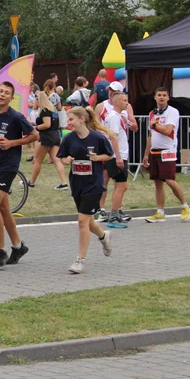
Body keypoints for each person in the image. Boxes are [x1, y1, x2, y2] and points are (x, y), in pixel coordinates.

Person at [0, 81, 37, 267]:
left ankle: (0, 250)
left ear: (12, 98)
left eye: (7, 93)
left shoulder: (15, 117)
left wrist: (12, 143)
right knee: (3, 209)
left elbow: (34, 135)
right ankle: (18, 246)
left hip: (9, 166)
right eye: (0, 91)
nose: (3, 94)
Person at [58, 107, 115, 274]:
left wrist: (98, 158)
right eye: (68, 120)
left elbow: (110, 154)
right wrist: (66, 160)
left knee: (82, 221)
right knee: (88, 221)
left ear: (81, 119)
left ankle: (80, 260)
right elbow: (61, 157)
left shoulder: (97, 138)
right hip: (77, 183)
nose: (68, 123)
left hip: (94, 184)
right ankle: (104, 236)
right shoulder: (68, 139)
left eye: (71, 120)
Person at [142, 87, 190, 223]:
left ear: (168, 98)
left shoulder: (172, 112)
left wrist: (155, 126)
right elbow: (150, 135)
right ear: (155, 97)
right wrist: (146, 155)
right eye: (159, 95)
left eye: (164, 95)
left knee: (169, 180)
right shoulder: (152, 113)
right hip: (155, 150)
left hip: (168, 150)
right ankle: (160, 211)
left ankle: (185, 206)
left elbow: (168, 130)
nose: (162, 97)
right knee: (157, 182)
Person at [101, 91, 132, 228]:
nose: (126, 103)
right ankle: (113, 215)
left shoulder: (118, 116)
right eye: (124, 100)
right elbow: (113, 136)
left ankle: (116, 213)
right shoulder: (113, 116)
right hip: (116, 156)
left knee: (120, 186)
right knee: (121, 186)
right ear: (116, 102)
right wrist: (118, 156)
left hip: (118, 155)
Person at [28, 84, 68, 191]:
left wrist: (36, 127)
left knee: (37, 160)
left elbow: (47, 124)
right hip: (55, 136)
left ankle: (31, 183)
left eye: (36, 100)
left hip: (47, 137)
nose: (35, 102)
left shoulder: (45, 110)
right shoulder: (53, 110)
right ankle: (64, 182)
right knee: (56, 160)